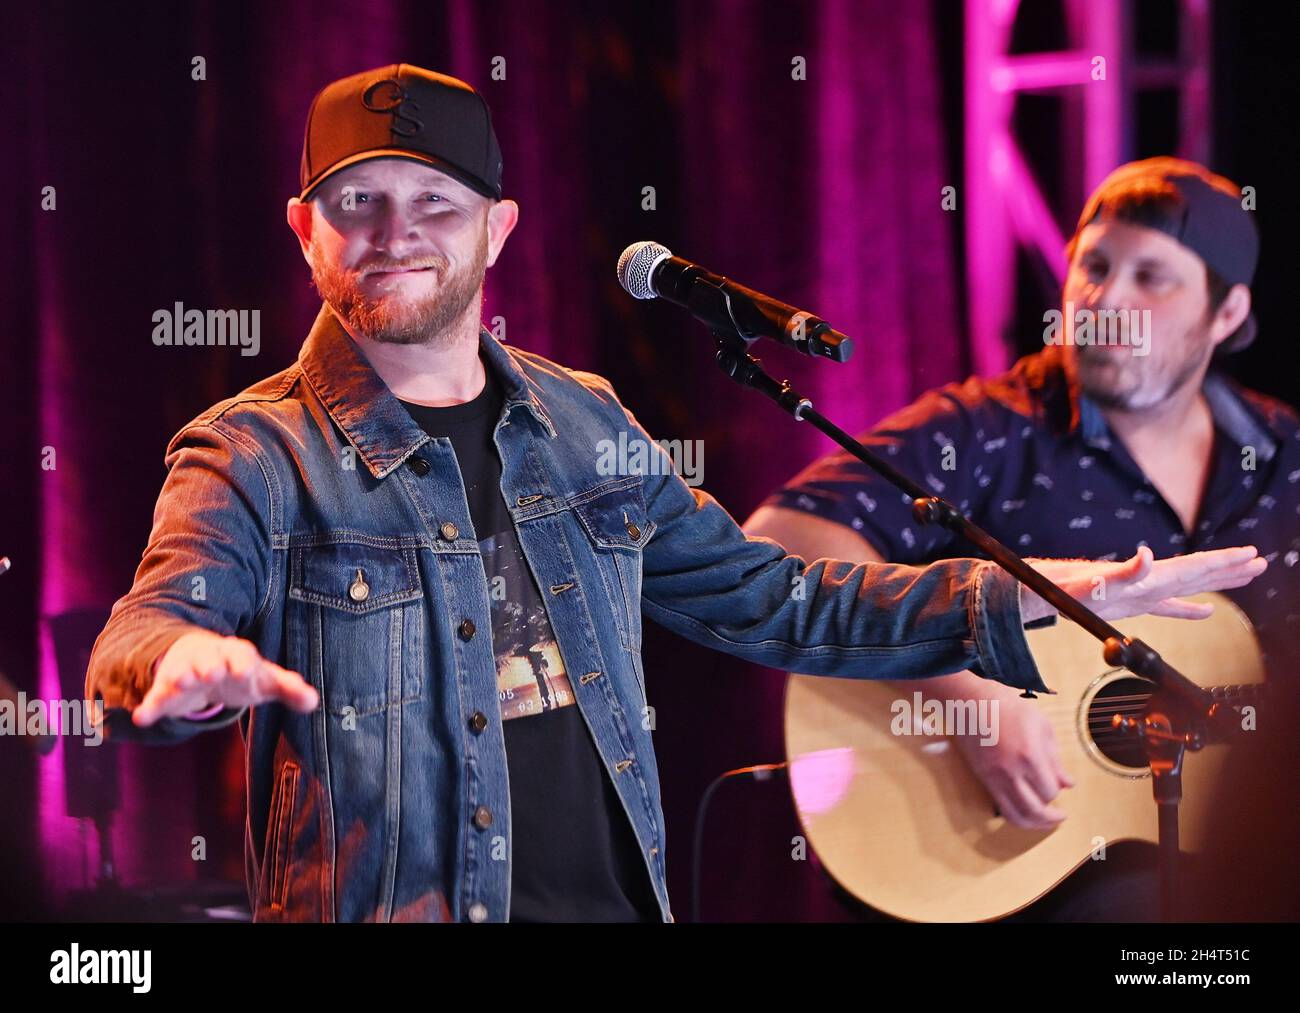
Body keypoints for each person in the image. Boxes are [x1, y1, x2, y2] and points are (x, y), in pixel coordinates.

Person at [85, 70, 1265, 925]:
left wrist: (1056, 590)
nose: (395, 235)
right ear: (306, 232)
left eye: (433, 203)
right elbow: (142, 628)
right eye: (357, 204)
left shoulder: (587, 423)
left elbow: (789, 601)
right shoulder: (250, 449)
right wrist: (177, 665)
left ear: (496, 230)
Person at [745, 157, 1298, 921]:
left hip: (1232, 838)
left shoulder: (1284, 455)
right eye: (1093, 267)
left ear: (1226, 314)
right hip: (1033, 859)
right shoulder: (988, 430)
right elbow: (780, 539)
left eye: (1151, 277)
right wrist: (970, 702)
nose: (1107, 300)